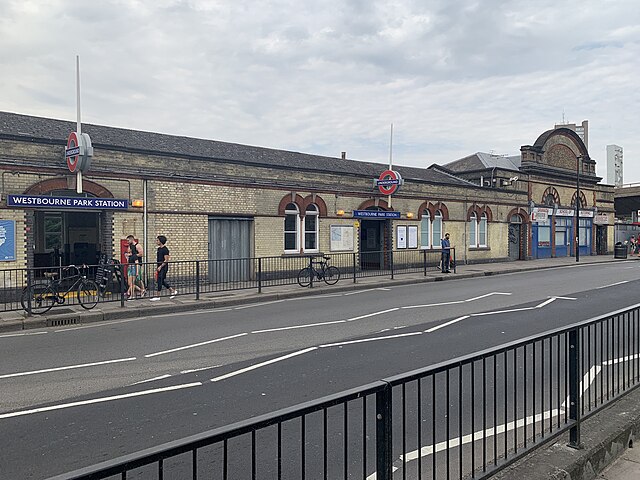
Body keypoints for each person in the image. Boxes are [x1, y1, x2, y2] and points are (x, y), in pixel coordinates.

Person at [150, 235, 178, 301]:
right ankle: (173, 291)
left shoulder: (165, 250)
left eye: (157, 240)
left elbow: (166, 260)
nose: (156, 241)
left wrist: (160, 266)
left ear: (161, 241)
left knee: (160, 280)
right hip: (159, 266)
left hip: (163, 267)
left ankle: (157, 296)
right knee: (161, 281)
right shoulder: (159, 249)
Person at [124, 235, 145, 299]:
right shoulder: (130, 246)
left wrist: (134, 256)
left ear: (132, 239)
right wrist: (128, 255)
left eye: (128, 240)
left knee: (138, 279)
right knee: (132, 282)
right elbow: (129, 252)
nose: (127, 242)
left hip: (136, 265)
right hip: (132, 265)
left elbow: (141, 254)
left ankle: (137, 292)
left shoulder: (137, 246)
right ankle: (141, 290)